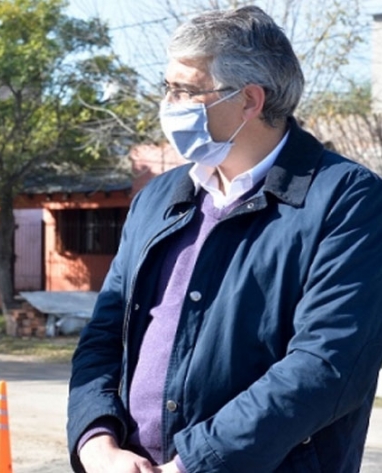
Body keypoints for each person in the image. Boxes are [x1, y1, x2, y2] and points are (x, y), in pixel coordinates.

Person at [68, 6, 382, 473]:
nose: (169, 104)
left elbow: (328, 365)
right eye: (167, 88)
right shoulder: (158, 198)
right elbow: (103, 336)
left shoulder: (346, 200)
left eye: (186, 91)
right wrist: (95, 440)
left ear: (250, 100)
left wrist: (194, 464)